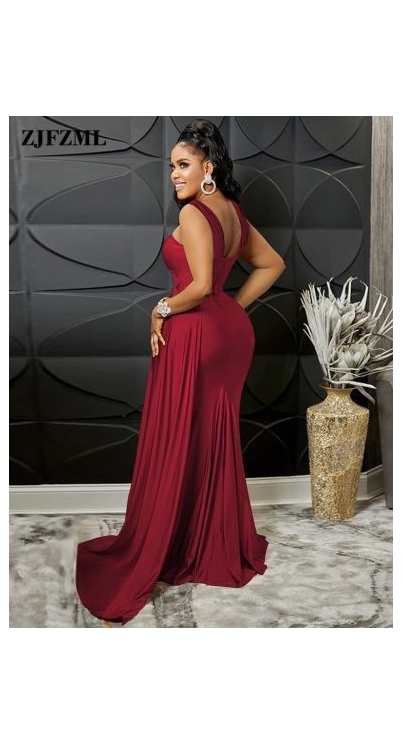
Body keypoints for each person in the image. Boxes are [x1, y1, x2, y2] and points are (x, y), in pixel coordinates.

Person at [75, 119, 286, 625]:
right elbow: (271, 264)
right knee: (210, 437)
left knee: (178, 438)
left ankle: (175, 542)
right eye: (171, 165)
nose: (174, 174)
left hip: (195, 336)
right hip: (229, 336)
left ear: (207, 167)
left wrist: (160, 309)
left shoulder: (194, 213)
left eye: (184, 164)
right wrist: (231, 307)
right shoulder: (233, 212)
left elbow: (200, 285)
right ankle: (207, 538)